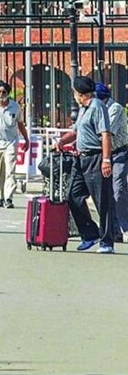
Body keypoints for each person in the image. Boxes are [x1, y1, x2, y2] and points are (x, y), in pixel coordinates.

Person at [56, 76, 115, 253]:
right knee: (73, 196)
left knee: (102, 201)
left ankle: (107, 242)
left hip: (96, 157)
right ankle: (89, 233)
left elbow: (105, 134)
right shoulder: (83, 109)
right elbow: (75, 131)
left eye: (74, 92)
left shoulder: (97, 106)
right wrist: (61, 141)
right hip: (80, 159)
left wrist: (106, 159)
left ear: (80, 93)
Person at [0, 81, 30, 209]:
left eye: (3, 92)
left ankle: (9, 198)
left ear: (8, 93)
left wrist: (26, 139)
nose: (1, 94)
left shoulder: (15, 107)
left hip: (11, 142)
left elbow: (20, 124)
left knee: (10, 170)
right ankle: (0, 197)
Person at [95, 82, 128, 244]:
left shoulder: (115, 108)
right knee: (105, 191)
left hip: (119, 152)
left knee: (118, 189)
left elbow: (105, 132)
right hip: (101, 154)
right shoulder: (94, 109)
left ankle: (124, 226)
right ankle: (113, 230)